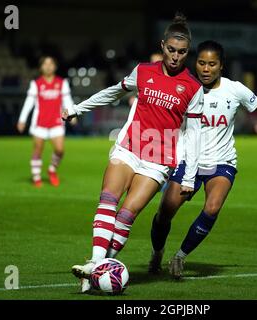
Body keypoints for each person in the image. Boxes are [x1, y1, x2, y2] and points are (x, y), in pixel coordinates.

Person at [63, 13, 204, 292]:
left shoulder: (193, 87)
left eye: (182, 52)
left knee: (127, 215)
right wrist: (79, 108)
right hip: (129, 147)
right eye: (171, 50)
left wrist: (189, 176)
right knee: (108, 199)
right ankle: (95, 265)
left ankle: (97, 271)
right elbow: (112, 92)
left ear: (188, 52)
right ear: (162, 45)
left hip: (159, 160)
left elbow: (195, 134)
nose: (175, 56)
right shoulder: (143, 71)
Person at [149, 40, 257, 279]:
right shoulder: (185, 87)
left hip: (222, 162)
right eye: (202, 63)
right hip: (188, 162)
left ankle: (180, 257)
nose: (205, 69)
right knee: (165, 212)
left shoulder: (235, 90)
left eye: (211, 64)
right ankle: (157, 253)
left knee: (212, 207)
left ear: (221, 66)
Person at [17, 56, 74, 187]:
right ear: (40, 67)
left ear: (55, 66)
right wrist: (22, 120)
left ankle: (52, 170)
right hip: (39, 123)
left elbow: (67, 100)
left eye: (51, 63)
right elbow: (29, 103)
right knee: (38, 149)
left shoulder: (62, 82)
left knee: (60, 150)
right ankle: (36, 177)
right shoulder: (35, 84)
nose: (48, 66)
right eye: (45, 64)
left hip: (56, 122)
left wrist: (72, 114)